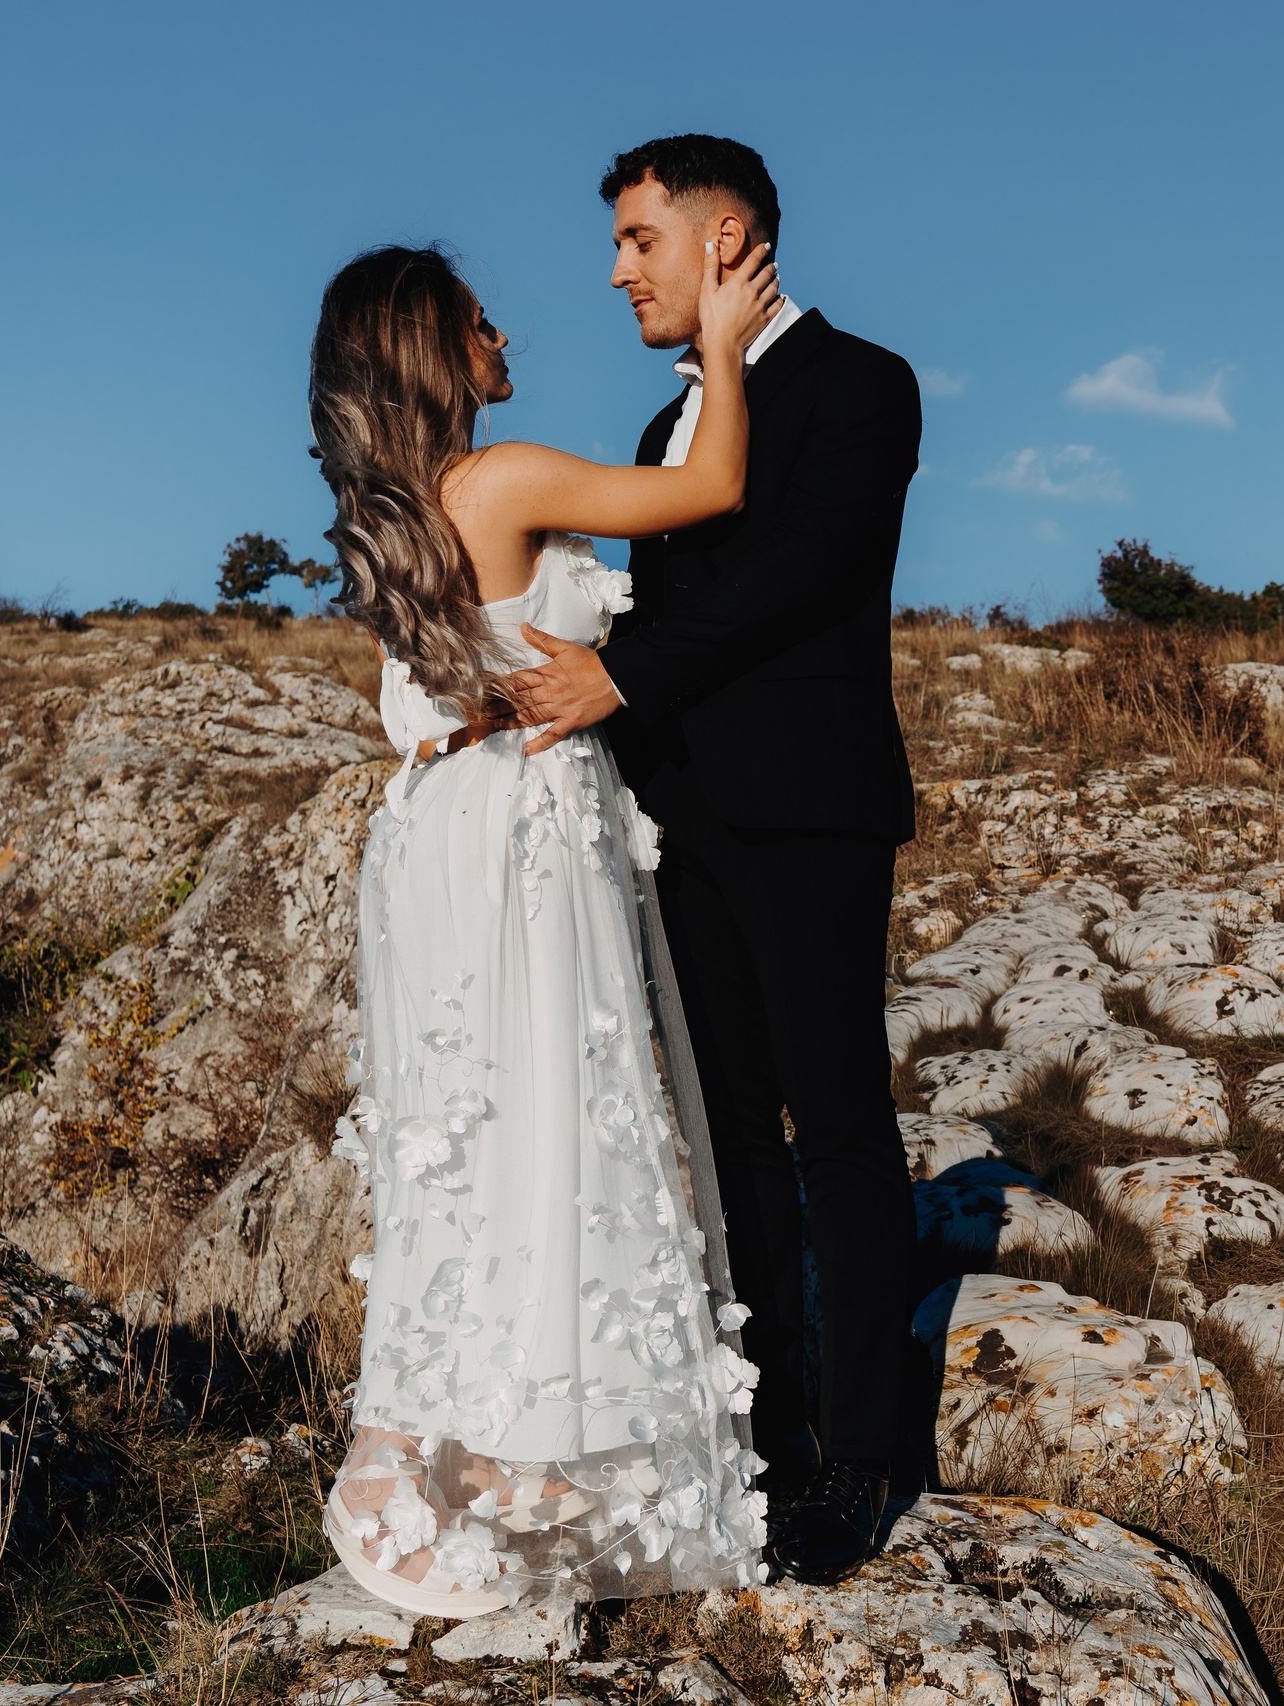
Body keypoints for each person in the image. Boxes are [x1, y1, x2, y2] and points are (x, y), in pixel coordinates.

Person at [459, 134, 925, 1586]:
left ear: (725, 239)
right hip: (680, 817)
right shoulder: (665, 427)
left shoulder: (865, 385)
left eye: (638, 241)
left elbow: (804, 577)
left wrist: (622, 678)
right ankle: (773, 1446)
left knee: (838, 1126)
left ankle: (863, 1457)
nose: (616, 271)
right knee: (731, 1144)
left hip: (808, 809)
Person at [309, 237, 783, 1613]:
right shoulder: (502, 478)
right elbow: (711, 487)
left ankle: (473, 1432)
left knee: (481, 1125)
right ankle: (526, 1437)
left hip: (452, 828)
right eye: (476, 322)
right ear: (432, 354)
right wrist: (728, 350)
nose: (501, 333)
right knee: (551, 1117)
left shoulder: (402, 506)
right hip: (521, 832)